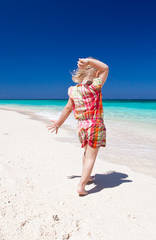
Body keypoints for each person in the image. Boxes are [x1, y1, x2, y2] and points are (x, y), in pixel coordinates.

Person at [47, 57, 109, 196]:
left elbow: (68, 108)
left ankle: (86, 178)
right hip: (95, 124)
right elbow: (106, 68)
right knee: (91, 157)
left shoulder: (73, 91)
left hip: (81, 126)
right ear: (96, 73)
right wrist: (89, 61)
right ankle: (81, 186)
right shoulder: (95, 87)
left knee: (87, 154)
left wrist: (58, 123)